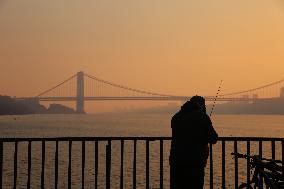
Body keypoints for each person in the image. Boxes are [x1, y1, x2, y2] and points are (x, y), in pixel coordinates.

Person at [169, 95, 218, 189]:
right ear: (202, 105)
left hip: (176, 161)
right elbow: (213, 138)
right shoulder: (202, 117)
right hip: (195, 162)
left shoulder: (176, 117)